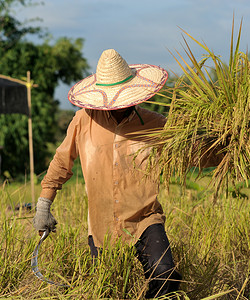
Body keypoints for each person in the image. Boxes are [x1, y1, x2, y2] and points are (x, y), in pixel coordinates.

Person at [33, 49, 182, 298]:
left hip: (144, 218)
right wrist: (43, 204)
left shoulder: (155, 124)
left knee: (165, 273)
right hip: (102, 225)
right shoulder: (83, 120)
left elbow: (189, 152)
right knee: (106, 290)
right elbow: (62, 161)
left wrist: (226, 146)